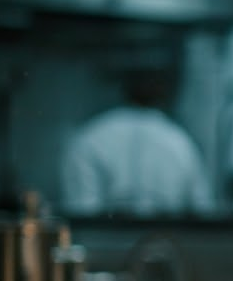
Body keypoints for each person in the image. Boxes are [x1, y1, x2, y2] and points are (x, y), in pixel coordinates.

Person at [60, 66, 214, 217]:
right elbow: (201, 210)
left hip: (103, 240)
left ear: (123, 91)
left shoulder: (91, 137)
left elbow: (81, 210)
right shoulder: (181, 143)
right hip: (166, 240)